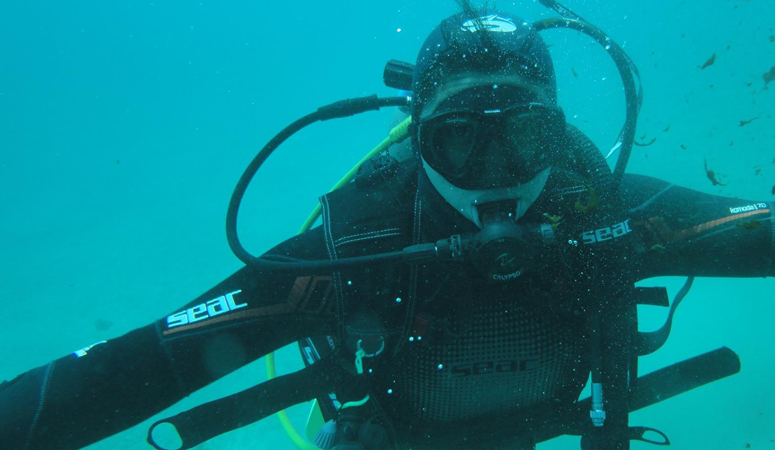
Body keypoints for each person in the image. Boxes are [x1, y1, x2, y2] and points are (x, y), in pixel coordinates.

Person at [1, 5, 773, 450]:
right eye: (459, 137)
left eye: (523, 135)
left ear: (558, 131)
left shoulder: (612, 217)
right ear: (418, 137)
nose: (494, 172)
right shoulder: (351, 252)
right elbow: (122, 371)